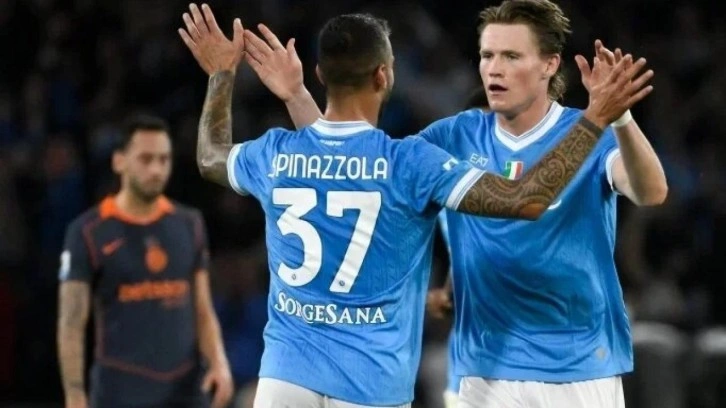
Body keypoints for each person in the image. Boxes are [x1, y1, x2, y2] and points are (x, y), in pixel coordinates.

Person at [178, 3, 652, 407]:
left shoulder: (277, 153)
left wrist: (223, 74)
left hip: (285, 376)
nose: (494, 67)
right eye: (488, 55)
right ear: (384, 75)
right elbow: (525, 200)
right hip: (371, 383)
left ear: (320, 74)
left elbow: (212, 157)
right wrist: (597, 117)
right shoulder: (409, 163)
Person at [57, 114, 234, 408]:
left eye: (164, 159)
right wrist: (74, 394)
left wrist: (219, 361)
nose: (156, 169)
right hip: (119, 388)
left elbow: (203, 308)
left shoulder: (189, 224)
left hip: (185, 388)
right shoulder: (88, 231)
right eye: (146, 159)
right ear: (119, 161)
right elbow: (72, 321)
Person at [426, 88, 489, 408]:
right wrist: (447, 293)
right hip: (468, 353)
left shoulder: (524, 194)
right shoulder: (448, 197)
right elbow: (464, 255)